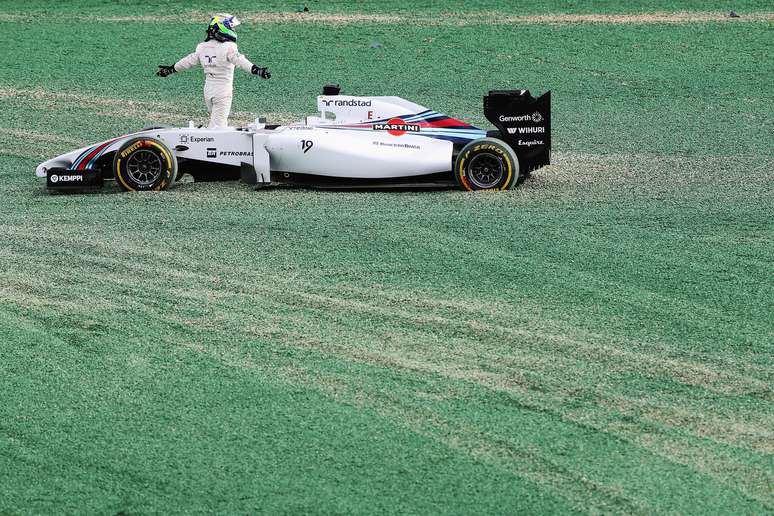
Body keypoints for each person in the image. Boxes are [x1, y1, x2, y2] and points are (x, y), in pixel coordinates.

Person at [156, 14, 271, 128]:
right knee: (218, 127)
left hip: (208, 91)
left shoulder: (202, 47)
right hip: (222, 91)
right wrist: (257, 70)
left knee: (216, 121)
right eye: (232, 27)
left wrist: (170, 70)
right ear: (223, 28)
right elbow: (240, 61)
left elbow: (188, 61)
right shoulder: (229, 47)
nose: (233, 30)